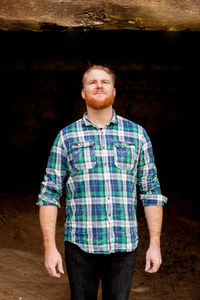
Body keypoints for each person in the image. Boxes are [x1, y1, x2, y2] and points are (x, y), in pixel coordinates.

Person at [37, 65, 168, 300]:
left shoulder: (137, 135)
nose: (99, 85)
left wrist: (155, 244)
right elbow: (49, 193)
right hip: (80, 245)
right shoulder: (66, 137)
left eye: (105, 82)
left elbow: (151, 191)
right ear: (83, 93)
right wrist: (50, 248)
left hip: (124, 245)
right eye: (92, 82)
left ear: (114, 92)